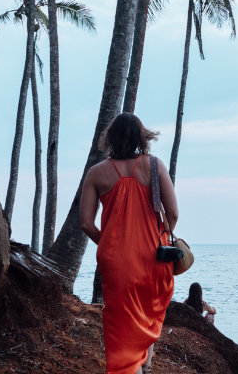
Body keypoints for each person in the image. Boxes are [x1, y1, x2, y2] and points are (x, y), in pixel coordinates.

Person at [80, 113, 178, 374]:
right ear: (141, 137)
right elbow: (173, 213)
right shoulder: (154, 166)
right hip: (153, 256)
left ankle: (129, 368)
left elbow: (86, 223)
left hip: (116, 260)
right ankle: (144, 365)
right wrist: (159, 237)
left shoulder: (96, 173)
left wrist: (112, 243)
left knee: (121, 320)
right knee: (149, 309)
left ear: (110, 139)